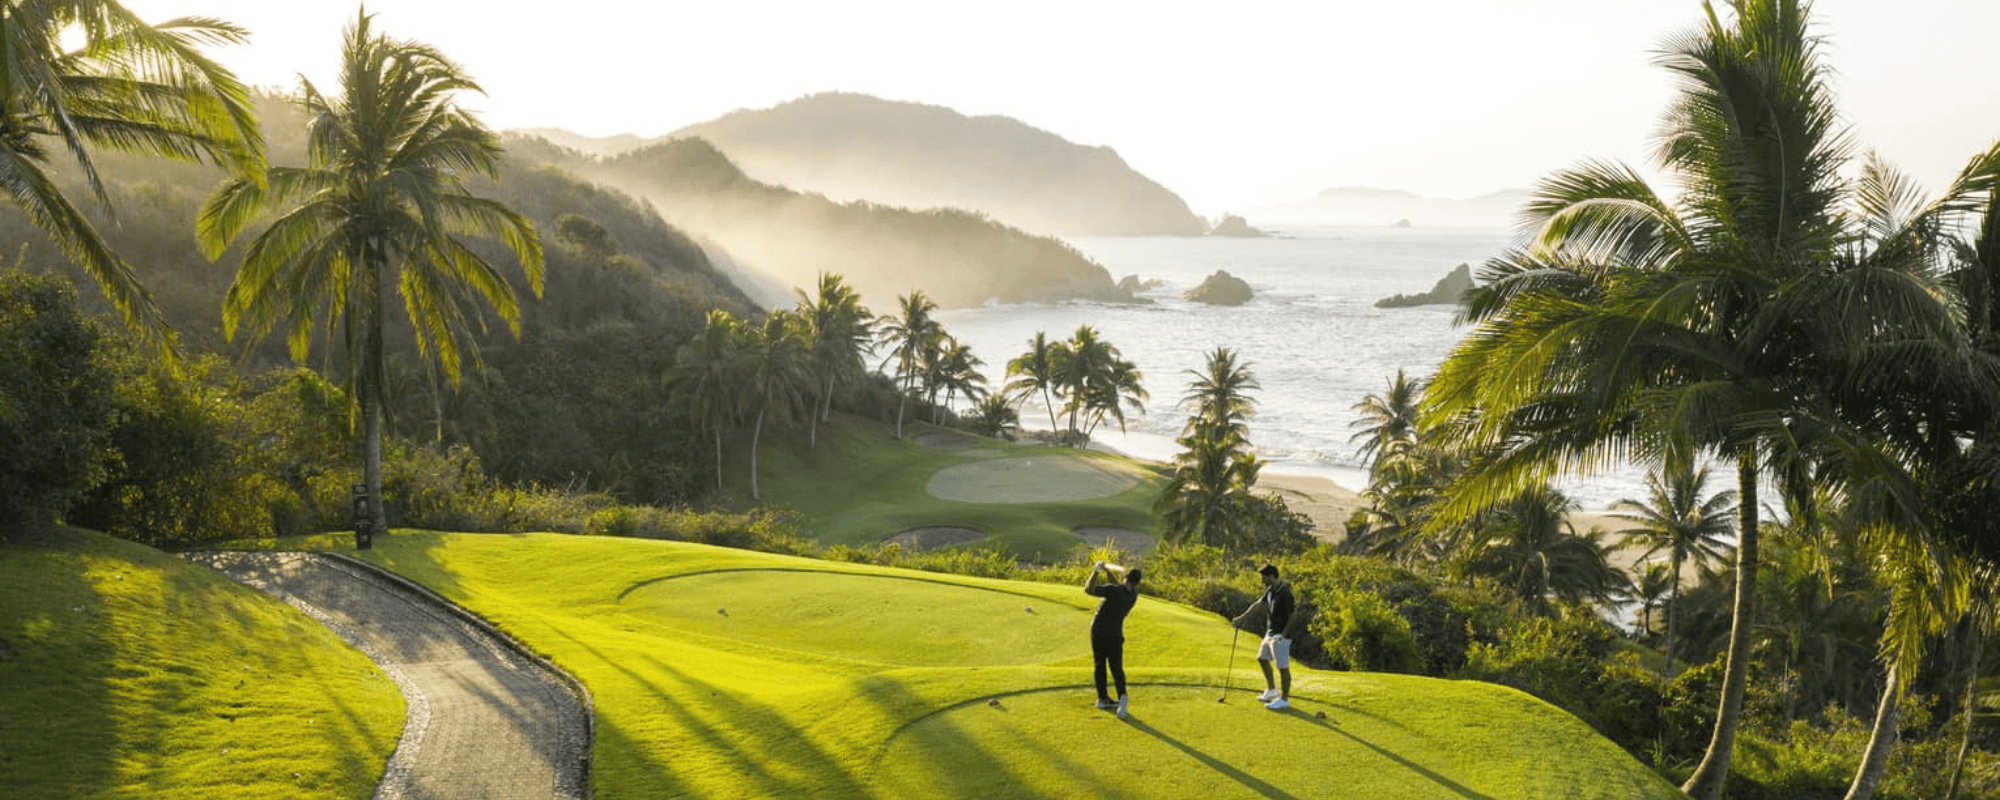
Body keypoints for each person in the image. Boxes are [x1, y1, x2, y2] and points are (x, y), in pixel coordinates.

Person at [1084, 560, 1142, 719]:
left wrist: (1096, 571)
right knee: (1117, 668)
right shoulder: (1133, 595)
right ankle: (1122, 697)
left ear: (1126, 577)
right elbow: (1118, 586)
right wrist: (1108, 570)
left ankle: (1102, 699)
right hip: (1115, 634)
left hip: (1098, 631)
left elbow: (1088, 589)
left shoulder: (1114, 590)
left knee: (1100, 664)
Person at [1233, 563, 1295, 710]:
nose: (1262, 581)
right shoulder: (1270, 590)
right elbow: (1258, 604)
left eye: (1264, 577)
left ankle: (1284, 699)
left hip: (1281, 635)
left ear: (1272, 576)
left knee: (1283, 667)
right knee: (1262, 658)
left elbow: (1293, 616)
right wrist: (1242, 618)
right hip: (1270, 632)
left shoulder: (1286, 593)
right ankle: (1272, 690)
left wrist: (1283, 635)